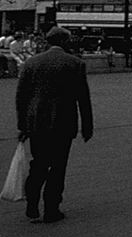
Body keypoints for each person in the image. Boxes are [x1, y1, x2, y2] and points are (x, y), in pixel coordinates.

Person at [15, 26, 93, 223]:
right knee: (58, 167)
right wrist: (87, 125)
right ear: (65, 42)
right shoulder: (75, 64)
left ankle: (32, 202)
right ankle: (52, 208)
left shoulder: (31, 63)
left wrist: (22, 125)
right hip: (63, 122)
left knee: (38, 164)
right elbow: (83, 98)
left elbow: (21, 97)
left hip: (36, 123)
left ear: (48, 41)